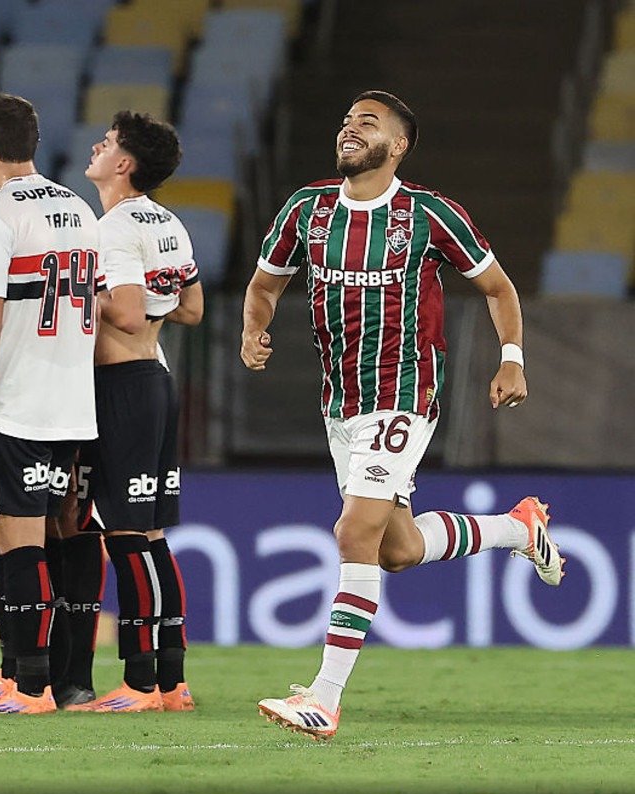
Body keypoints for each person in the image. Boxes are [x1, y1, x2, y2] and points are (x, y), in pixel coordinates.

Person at [241, 90, 564, 741]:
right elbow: (265, 285)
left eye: (367, 123)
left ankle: (325, 698)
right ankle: (518, 529)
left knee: (353, 531)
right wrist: (253, 328)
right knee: (396, 549)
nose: (350, 129)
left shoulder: (429, 214)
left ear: (398, 145)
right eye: (346, 121)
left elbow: (498, 287)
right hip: (341, 403)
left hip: (404, 394)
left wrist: (511, 358)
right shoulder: (306, 209)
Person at [0, 93, 100, 714]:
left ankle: (29, 686)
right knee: (56, 538)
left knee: (20, 545)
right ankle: (53, 678)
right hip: (75, 403)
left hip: (18, 403)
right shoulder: (79, 209)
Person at [62, 111, 205, 714]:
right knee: (151, 536)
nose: (95, 147)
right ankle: (172, 680)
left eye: (107, 143)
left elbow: (122, 313)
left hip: (122, 385)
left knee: (124, 534)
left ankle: (140, 683)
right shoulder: (167, 220)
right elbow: (191, 308)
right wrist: (151, 306)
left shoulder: (114, 227)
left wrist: (75, 289)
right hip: (156, 380)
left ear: (124, 164)